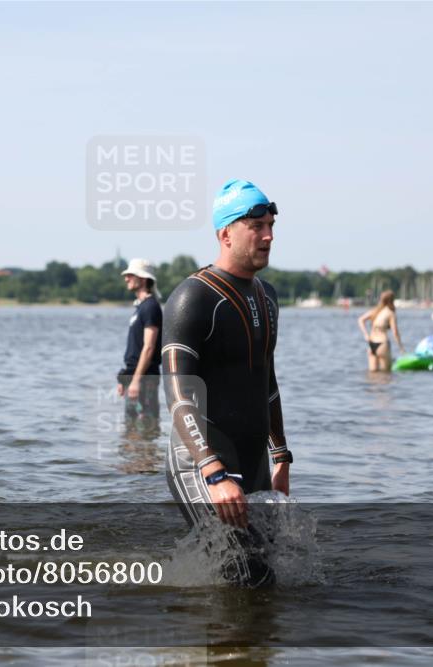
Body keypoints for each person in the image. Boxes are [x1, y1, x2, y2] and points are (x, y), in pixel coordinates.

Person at [161, 179, 291, 584]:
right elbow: (178, 394)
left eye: (270, 225)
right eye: (256, 227)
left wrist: (282, 455)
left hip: (252, 460)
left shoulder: (266, 296)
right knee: (247, 574)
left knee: (266, 574)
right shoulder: (193, 298)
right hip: (200, 461)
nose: (268, 235)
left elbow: (265, 380)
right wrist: (213, 471)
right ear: (225, 234)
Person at [116, 258, 162, 437]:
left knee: (144, 433)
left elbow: (149, 347)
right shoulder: (141, 307)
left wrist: (136, 380)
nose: (126, 278)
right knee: (131, 433)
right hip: (135, 378)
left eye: (130, 275)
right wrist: (125, 377)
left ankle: (145, 464)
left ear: (143, 279)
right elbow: (135, 350)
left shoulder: (151, 307)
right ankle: (135, 464)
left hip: (144, 380)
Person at [357, 290, 404, 372]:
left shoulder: (375, 311)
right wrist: (401, 348)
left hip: (371, 344)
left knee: (372, 374)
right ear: (391, 300)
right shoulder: (390, 313)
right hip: (382, 344)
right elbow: (395, 332)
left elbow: (360, 320)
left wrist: (366, 334)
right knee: (385, 374)